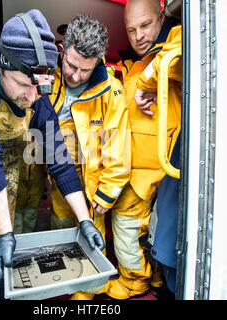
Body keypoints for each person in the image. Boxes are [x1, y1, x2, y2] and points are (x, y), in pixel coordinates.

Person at [0, 9, 104, 300]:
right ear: (0, 66)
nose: (33, 97)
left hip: (0, 165)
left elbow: (60, 160)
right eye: (23, 85)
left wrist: (85, 221)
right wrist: (8, 234)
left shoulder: (37, 95)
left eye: (39, 86)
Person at [100, 0, 181, 299]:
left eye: (145, 25)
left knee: (125, 223)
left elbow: (182, 54)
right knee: (151, 230)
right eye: (131, 29)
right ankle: (156, 277)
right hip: (137, 165)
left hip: (154, 167)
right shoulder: (132, 64)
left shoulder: (173, 45)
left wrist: (149, 83)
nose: (138, 36)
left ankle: (134, 280)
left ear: (162, 17)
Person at [48, 15, 131, 300]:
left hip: (92, 175)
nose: (75, 76)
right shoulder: (48, 73)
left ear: (98, 61)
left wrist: (108, 191)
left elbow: (117, 147)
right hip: (55, 168)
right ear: (64, 48)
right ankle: (61, 279)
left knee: (91, 230)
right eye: (71, 65)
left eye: (85, 70)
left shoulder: (111, 90)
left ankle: (89, 288)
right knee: (60, 223)